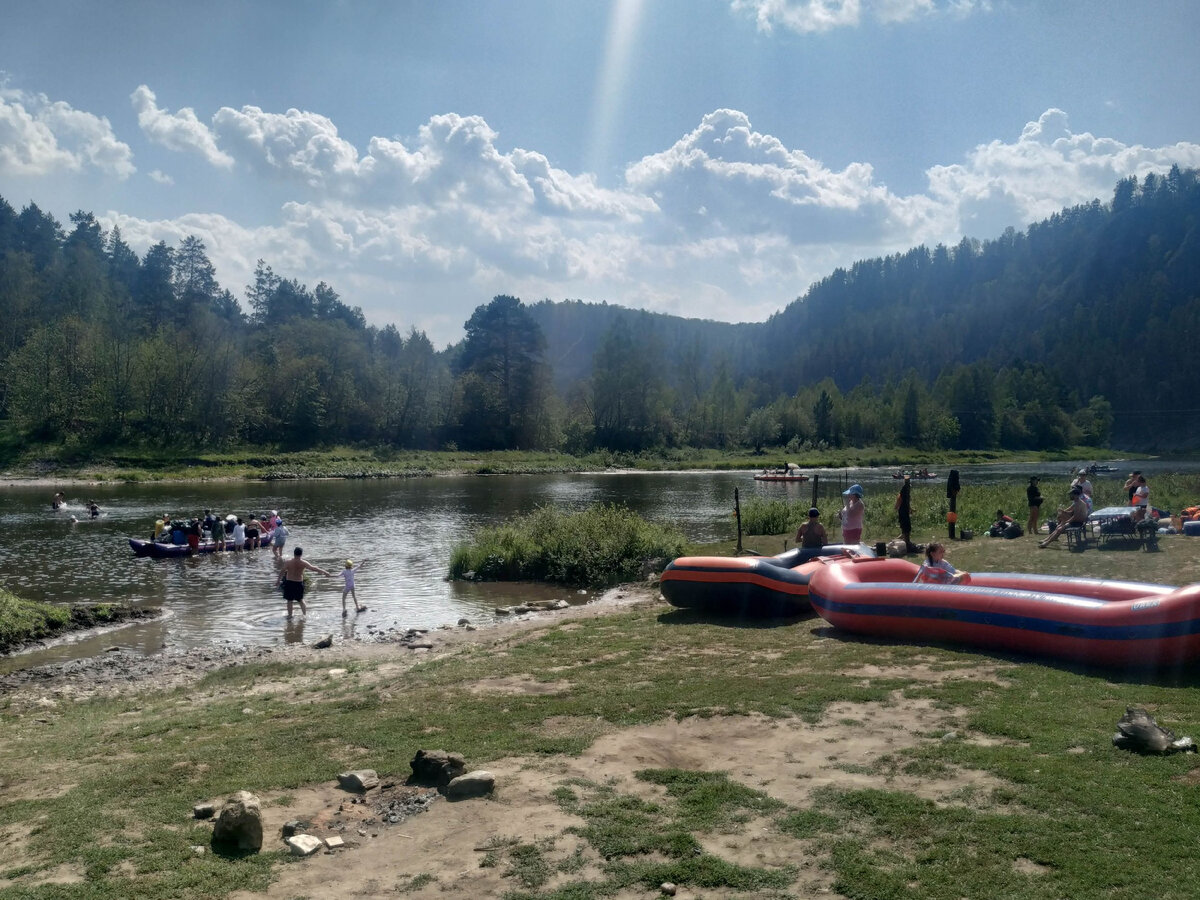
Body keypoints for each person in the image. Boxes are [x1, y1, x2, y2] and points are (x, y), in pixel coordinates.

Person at [279, 547, 333, 617]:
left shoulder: (288, 562)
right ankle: (304, 615)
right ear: (301, 554)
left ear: (294, 553)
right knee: (301, 600)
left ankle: (290, 616)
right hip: (298, 583)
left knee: (289, 601)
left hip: (289, 582)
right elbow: (314, 568)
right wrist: (325, 572)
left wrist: (278, 580)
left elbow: (282, 571)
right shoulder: (303, 563)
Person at [894, 476, 918, 554]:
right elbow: (899, 498)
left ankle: (907, 541)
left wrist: (910, 509)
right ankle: (906, 543)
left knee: (908, 527)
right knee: (905, 527)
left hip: (905, 511)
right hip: (902, 511)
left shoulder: (908, 490)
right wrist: (896, 507)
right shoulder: (904, 489)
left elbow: (907, 502)